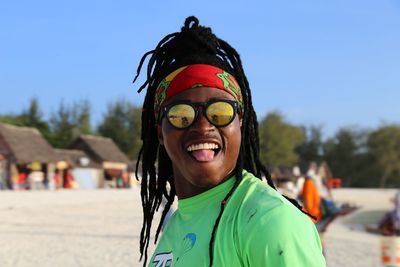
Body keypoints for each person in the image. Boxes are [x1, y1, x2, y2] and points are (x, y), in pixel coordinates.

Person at [133, 16, 326, 267]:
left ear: (240, 123)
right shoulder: (176, 224)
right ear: (160, 131)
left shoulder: (268, 220)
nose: (203, 126)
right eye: (181, 115)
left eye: (220, 112)